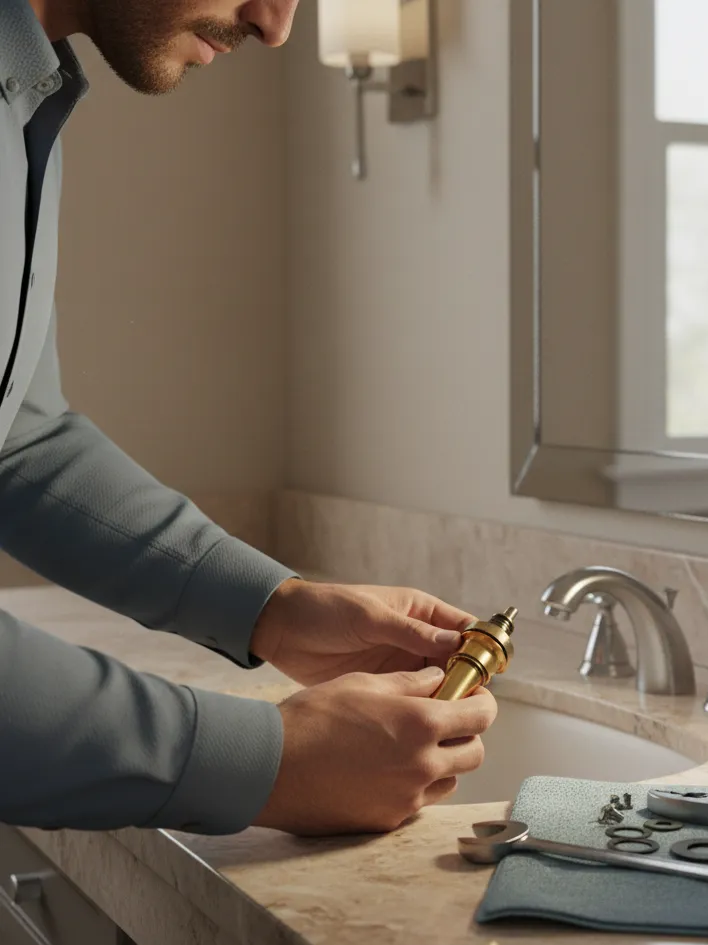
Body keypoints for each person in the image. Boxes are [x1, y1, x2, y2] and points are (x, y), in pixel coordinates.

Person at [0, 0, 498, 837]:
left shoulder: (25, 91)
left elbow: (20, 438)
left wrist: (268, 607)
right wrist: (260, 759)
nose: (274, 25)